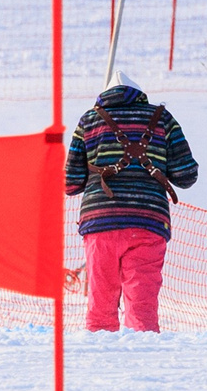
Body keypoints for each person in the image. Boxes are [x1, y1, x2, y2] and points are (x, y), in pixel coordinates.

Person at [63, 70, 198, 332]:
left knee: (100, 304)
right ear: (139, 94)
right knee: (142, 304)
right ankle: (143, 358)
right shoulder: (162, 119)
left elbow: (70, 183)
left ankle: (100, 360)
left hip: (101, 223)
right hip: (148, 222)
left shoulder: (90, 120)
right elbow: (186, 175)